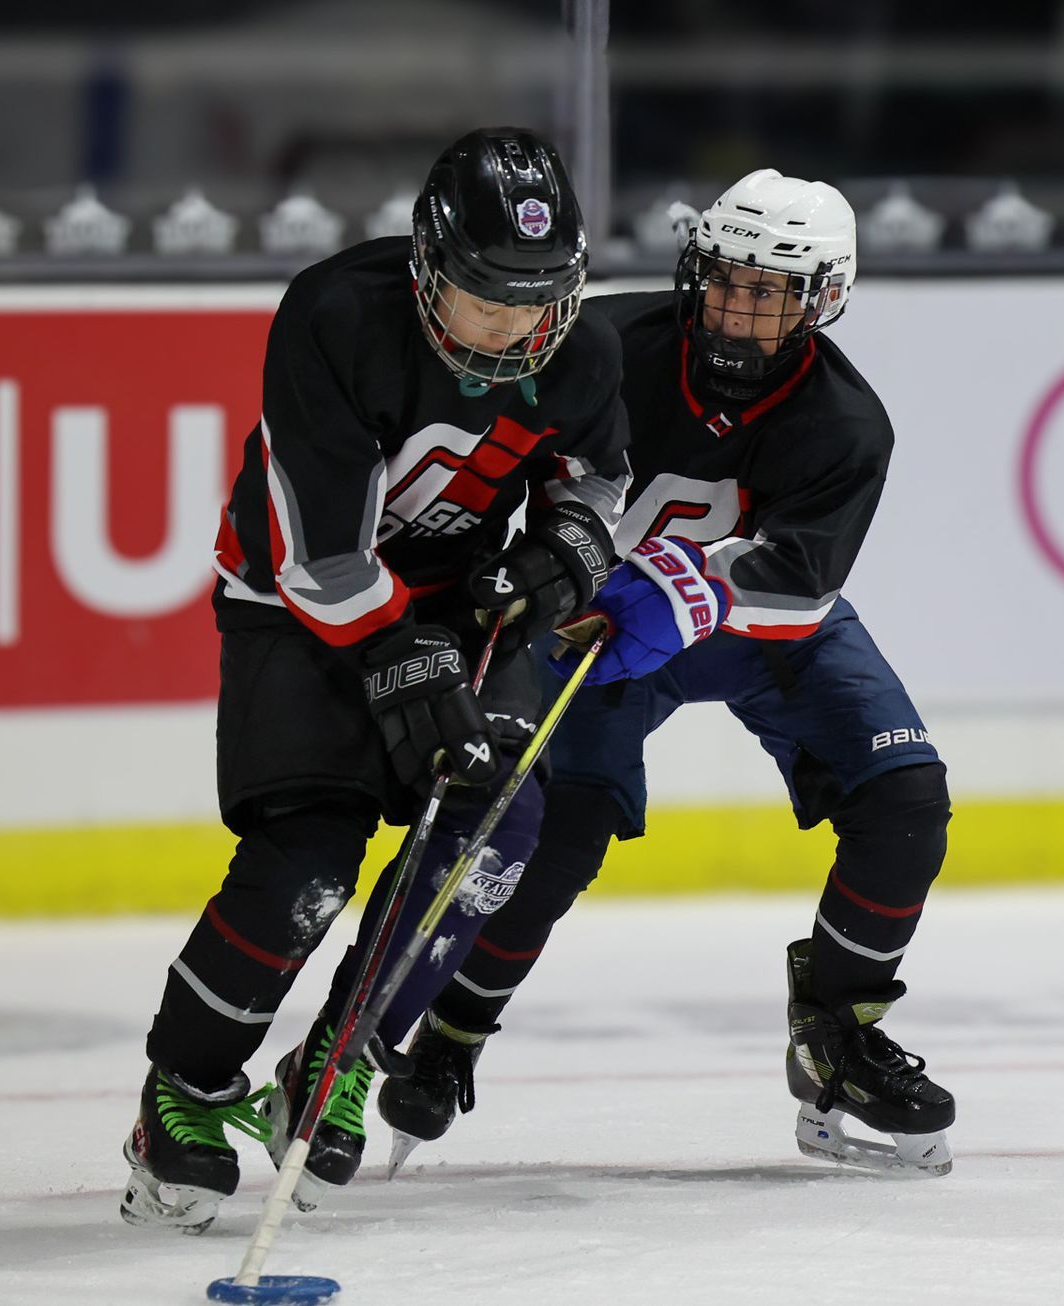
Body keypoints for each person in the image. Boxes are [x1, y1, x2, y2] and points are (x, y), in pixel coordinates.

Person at [381, 169, 956, 1176]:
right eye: (727, 280)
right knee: (556, 838)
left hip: (758, 629)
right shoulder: (605, 343)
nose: (739, 308)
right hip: (598, 628)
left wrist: (686, 589)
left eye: (769, 291)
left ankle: (838, 1033)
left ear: (820, 298)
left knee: (906, 795)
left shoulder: (848, 423)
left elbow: (804, 584)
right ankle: (455, 1037)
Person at [119, 127, 629, 1233]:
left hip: (452, 609)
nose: (508, 327)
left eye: (536, 298)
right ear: (425, 270)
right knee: (306, 863)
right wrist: (405, 656)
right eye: (482, 295)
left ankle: (340, 1057)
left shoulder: (578, 352)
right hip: (293, 608)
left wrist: (562, 556)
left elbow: (600, 483)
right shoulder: (336, 316)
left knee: (495, 821)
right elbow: (320, 556)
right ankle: (185, 1094)